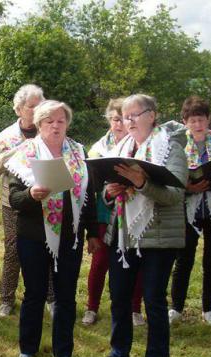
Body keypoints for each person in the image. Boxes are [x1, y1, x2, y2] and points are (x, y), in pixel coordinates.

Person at [97, 94, 187, 357]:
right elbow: (108, 190)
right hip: (123, 233)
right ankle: (118, 352)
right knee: (120, 296)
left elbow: (174, 196)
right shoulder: (121, 147)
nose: (130, 120)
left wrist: (142, 182)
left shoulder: (171, 149)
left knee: (154, 299)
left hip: (158, 236)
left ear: (152, 115)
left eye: (136, 114)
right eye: (126, 116)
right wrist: (109, 192)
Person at [5, 100, 99, 357]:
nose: (56, 126)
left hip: (71, 235)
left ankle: (64, 351)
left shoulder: (79, 152)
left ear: (67, 123)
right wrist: (32, 195)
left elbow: (88, 195)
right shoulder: (25, 154)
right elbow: (14, 200)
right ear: (39, 125)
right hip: (34, 235)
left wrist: (93, 231)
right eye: (49, 121)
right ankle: (28, 349)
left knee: (66, 294)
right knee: (34, 294)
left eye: (61, 121)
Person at [169, 96, 211, 328]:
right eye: (193, 120)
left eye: (201, 119)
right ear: (185, 121)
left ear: (208, 119)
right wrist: (188, 187)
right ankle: (176, 307)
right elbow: (170, 174)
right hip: (188, 208)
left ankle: (210, 309)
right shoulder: (177, 143)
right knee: (183, 259)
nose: (198, 124)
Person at [83, 98, 145, 327]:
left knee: (135, 259)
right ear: (109, 120)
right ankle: (92, 307)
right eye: (116, 119)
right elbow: (91, 184)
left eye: (126, 119)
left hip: (135, 209)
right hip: (103, 211)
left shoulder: (141, 145)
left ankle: (135, 308)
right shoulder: (98, 149)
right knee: (100, 261)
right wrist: (108, 191)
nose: (120, 124)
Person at [0, 84, 45, 317]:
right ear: (19, 109)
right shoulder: (7, 136)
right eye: (32, 106)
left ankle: (49, 297)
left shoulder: (48, 130)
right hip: (14, 201)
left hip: (46, 199)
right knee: (13, 249)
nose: (37, 110)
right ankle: (7, 299)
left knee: (47, 246)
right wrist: (21, 149)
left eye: (40, 105)